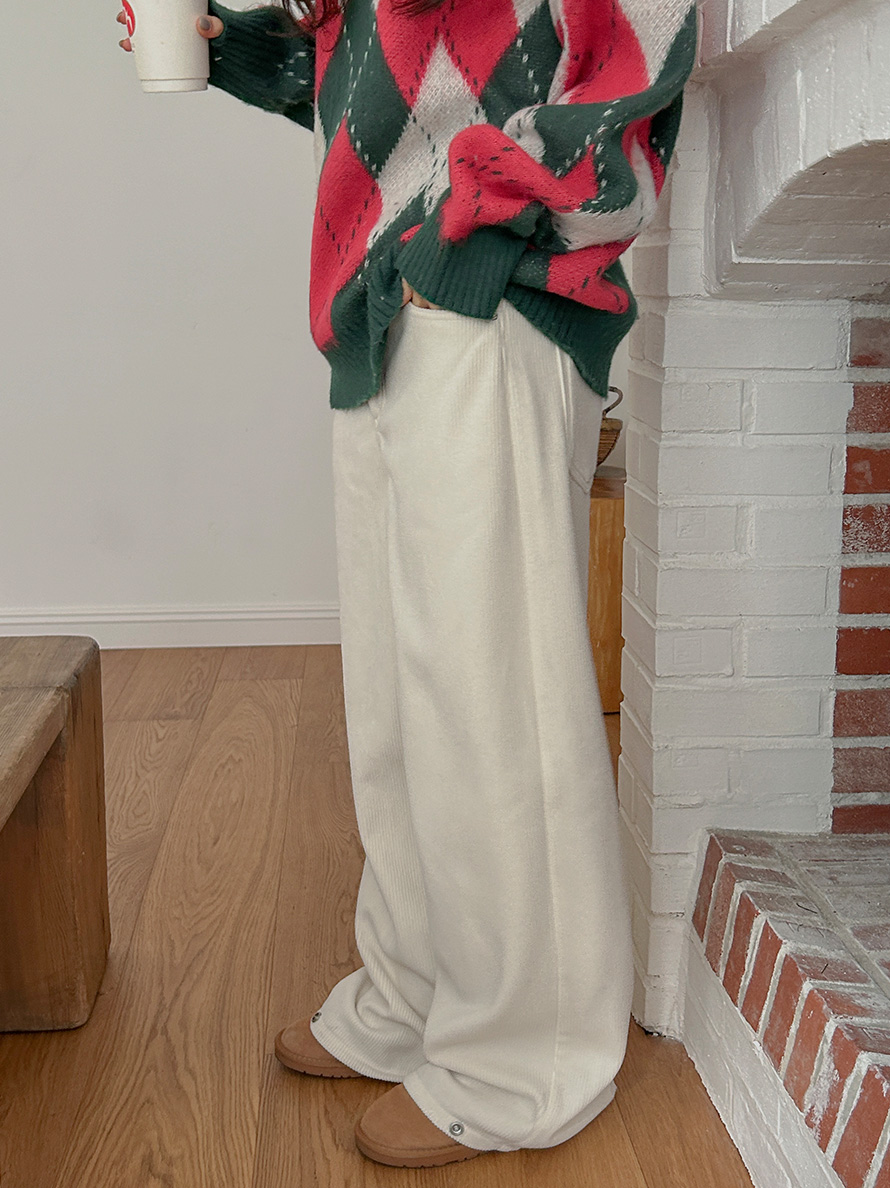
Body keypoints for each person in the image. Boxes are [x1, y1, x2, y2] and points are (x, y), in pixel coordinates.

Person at [120, 0, 697, 1169]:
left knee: (491, 705)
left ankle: (523, 1057)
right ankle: (419, 990)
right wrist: (242, 49)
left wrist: (471, 241)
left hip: (490, 289)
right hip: (381, 294)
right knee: (400, 697)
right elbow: (393, 76)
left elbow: (635, 48)